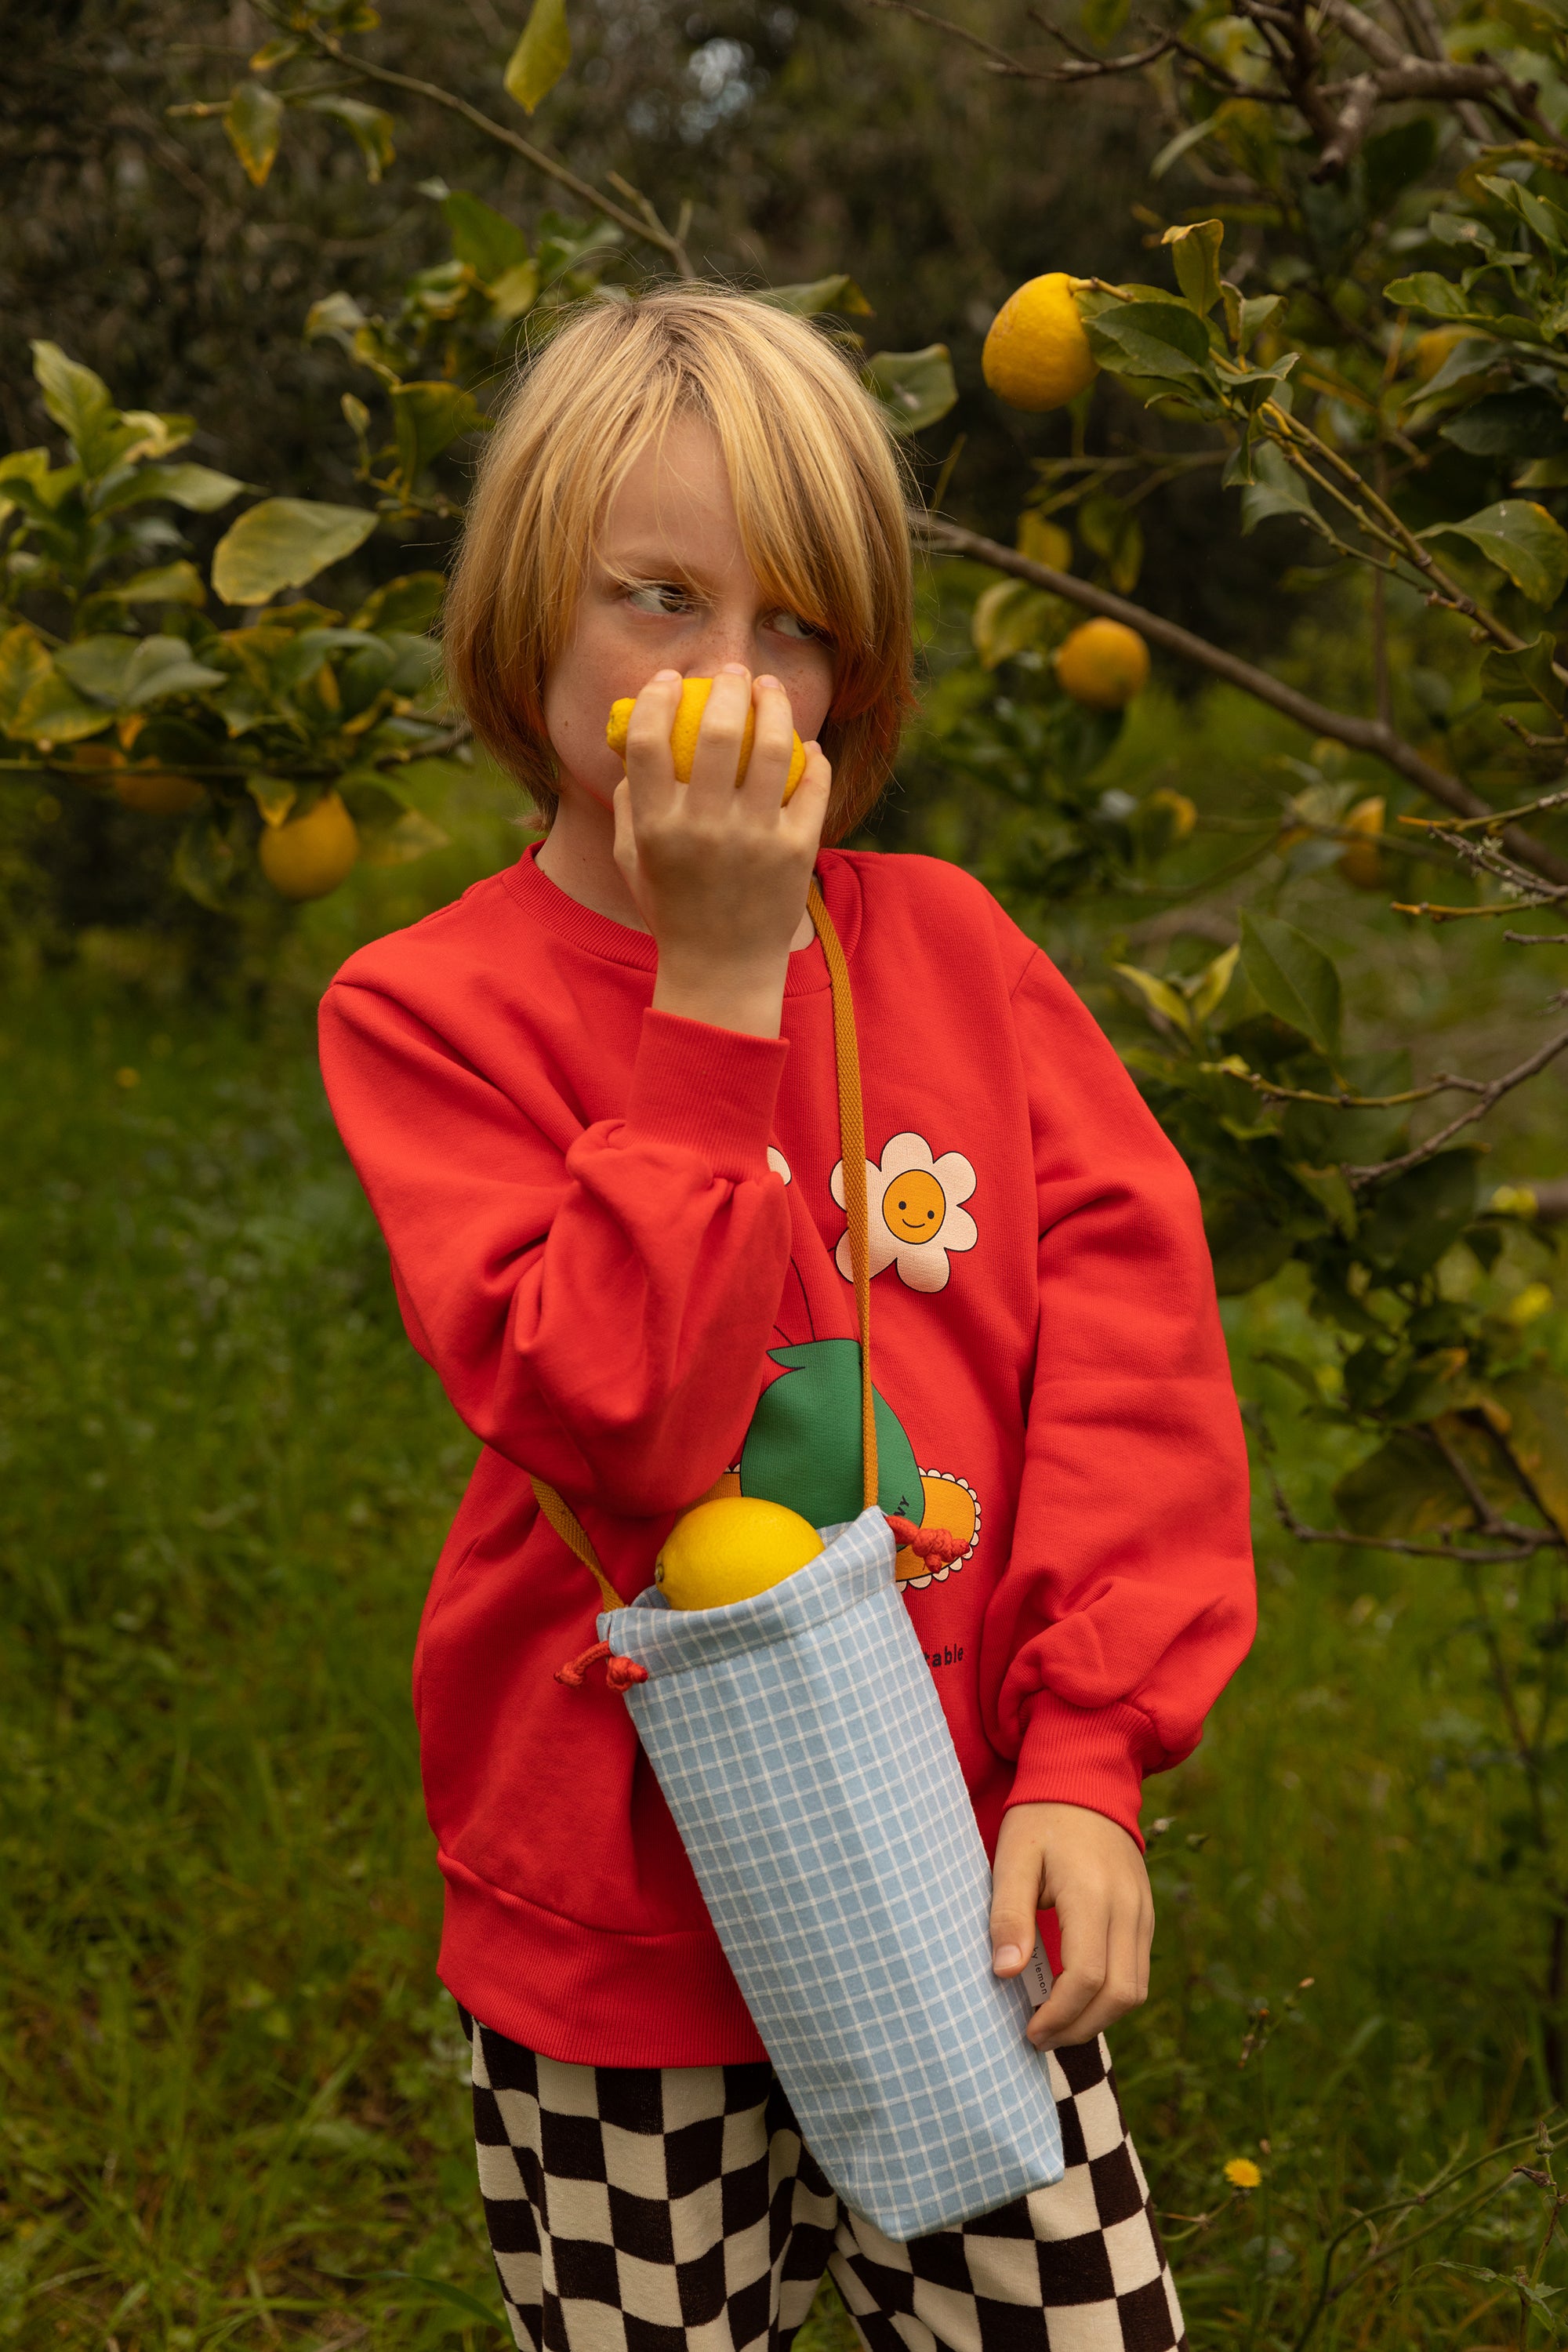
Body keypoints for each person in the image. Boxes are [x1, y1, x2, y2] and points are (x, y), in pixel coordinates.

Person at [318, 286, 1254, 2352]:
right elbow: (626, 1417)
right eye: (660, 596)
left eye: (799, 623)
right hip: (616, 1934)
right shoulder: (426, 1016)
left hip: (959, 1886)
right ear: (525, 622)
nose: (733, 678)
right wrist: (720, 987)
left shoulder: (957, 955)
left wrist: (1086, 1764)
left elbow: (1131, 1361)